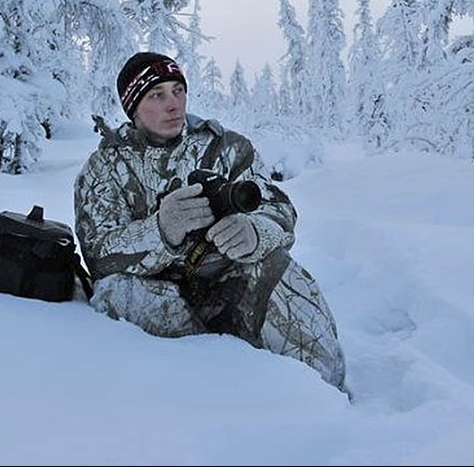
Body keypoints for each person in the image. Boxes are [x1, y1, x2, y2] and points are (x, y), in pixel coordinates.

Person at [74, 52, 347, 394]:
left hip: (227, 279)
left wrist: (254, 232)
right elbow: (99, 256)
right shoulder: (104, 169)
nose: (174, 104)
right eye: (157, 95)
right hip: (154, 291)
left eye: (178, 90)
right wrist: (161, 231)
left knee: (281, 270)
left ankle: (326, 398)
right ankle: (205, 395)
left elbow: (278, 209)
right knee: (117, 293)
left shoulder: (226, 147)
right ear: (134, 108)